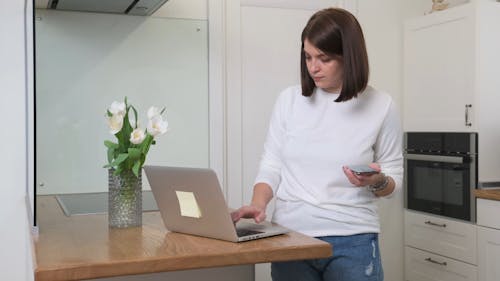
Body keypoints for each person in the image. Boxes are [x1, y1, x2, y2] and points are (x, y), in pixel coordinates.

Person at [231, 7, 403, 281]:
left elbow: (394, 181)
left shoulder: (381, 105)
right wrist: (258, 203)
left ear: (350, 56)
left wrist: (376, 180)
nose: (313, 67)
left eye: (324, 58)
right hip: (291, 238)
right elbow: (272, 163)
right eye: (308, 57)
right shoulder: (289, 100)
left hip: (353, 240)